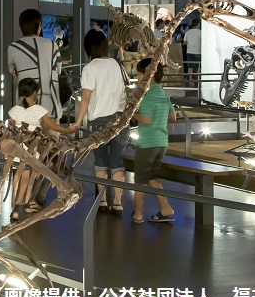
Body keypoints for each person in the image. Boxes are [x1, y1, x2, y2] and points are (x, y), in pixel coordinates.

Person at [62, 29, 130, 213]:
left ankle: (102, 201)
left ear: (88, 47)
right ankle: (117, 202)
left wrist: (78, 121)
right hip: (121, 120)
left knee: (100, 161)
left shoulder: (90, 68)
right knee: (117, 160)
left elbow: (85, 98)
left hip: (100, 122)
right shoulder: (117, 65)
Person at [7, 77, 70, 220]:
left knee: (24, 177)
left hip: (17, 150)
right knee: (27, 178)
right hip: (30, 151)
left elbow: (10, 129)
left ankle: (27, 203)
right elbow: (52, 126)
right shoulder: (39, 110)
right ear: (35, 93)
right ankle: (17, 208)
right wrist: (69, 131)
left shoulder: (14, 110)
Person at [131, 58, 176, 223]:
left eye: (139, 73)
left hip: (147, 143)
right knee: (151, 177)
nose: (137, 77)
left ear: (148, 75)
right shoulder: (163, 94)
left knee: (140, 180)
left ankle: (138, 214)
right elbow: (173, 117)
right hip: (161, 142)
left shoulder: (148, 94)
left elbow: (147, 120)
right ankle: (166, 208)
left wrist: (131, 114)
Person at [7, 9, 65, 117]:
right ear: (39, 26)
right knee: (51, 133)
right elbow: (58, 70)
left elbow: (13, 72)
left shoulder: (13, 47)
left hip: (25, 109)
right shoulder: (53, 45)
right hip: (50, 107)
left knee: (26, 133)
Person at [183, 19, 201, 87]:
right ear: (198, 24)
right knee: (198, 67)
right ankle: (198, 81)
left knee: (190, 67)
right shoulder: (200, 32)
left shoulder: (188, 32)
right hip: (198, 52)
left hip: (189, 52)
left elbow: (184, 42)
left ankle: (190, 81)